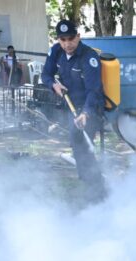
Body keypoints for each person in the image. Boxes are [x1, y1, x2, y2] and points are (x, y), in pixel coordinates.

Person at [41, 20, 107, 202]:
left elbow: (94, 90)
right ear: (58, 40)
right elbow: (46, 74)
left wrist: (86, 113)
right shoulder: (56, 51)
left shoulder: (89, 57)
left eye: (71, 38)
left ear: (78, 37)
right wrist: (53, 85)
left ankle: (98, 190)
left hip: (91, 107)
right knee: (77, 146)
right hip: (72, 106)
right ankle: (90, 184)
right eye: (63, 39)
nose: (67, 44)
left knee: (83, 147)